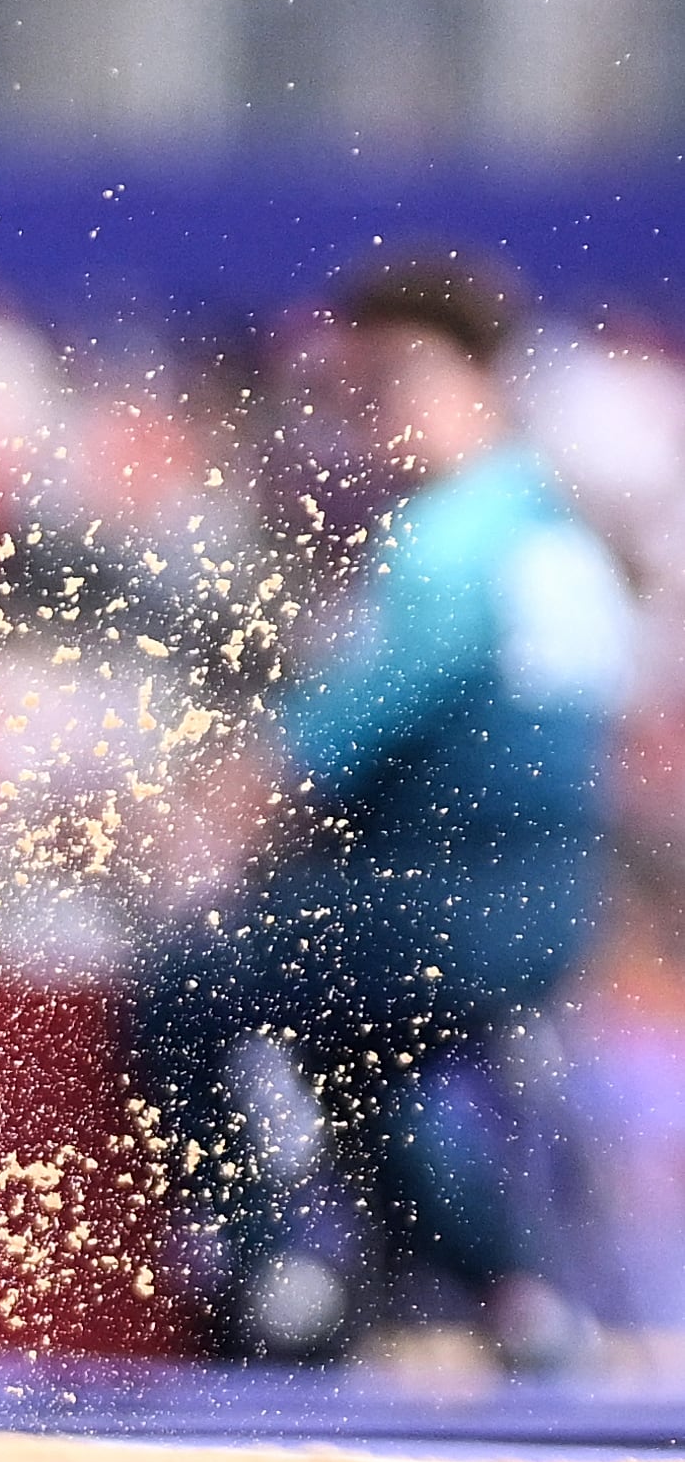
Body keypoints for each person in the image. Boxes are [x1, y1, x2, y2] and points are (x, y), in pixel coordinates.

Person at [129, 258, 633, 1365]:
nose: (371, 415)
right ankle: (524, 1299)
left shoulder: (449, 539)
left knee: (184, 984)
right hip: (547, 908)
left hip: (454, 898)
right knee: (358, 1062)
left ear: (484, 380)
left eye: (396, 380)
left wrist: (194, 822)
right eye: (359, 390)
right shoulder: (565, 537)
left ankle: (266, 1274)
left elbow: (324, 737)